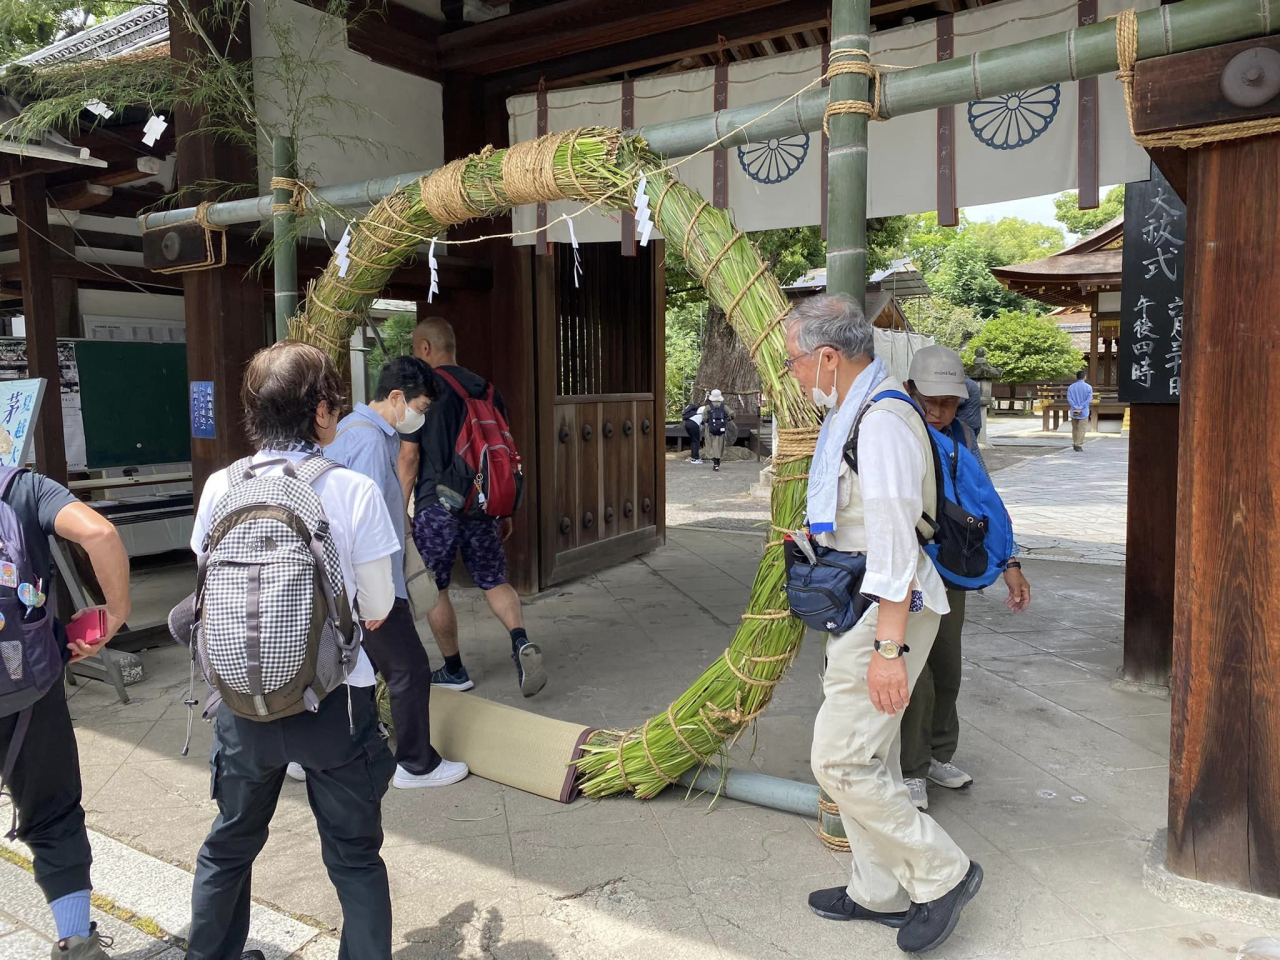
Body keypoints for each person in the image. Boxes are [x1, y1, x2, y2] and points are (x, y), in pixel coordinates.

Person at [187, 342, 398, 960]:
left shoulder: (221, 486)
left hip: (241, 703)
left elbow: (206, 588)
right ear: (324, 413)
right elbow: (379, 607)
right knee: (355, 859)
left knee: (229, 845)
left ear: (254, 414)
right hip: (336, 705)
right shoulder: (354, 491)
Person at [785, 295, 981, 955]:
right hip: (864, 602)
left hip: (886, 613)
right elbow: (866, 517)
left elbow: (896, 544)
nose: (794, 374)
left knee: (837, 760)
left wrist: (889, 650)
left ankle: (942, 873)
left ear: (829, 357)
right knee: (873, 755)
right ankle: (878, 892)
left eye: (796, 362)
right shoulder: (855, 409)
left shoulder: (882, 421)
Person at [318, 356, 469, 790]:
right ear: (397, 397)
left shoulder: (348, 430)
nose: (419, 417)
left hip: (344, 583)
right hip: (371, 583)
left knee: (353, 669)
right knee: (409, 669)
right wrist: (377, 596)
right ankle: (416, 763)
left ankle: (321, 749)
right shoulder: (368, 441)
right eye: (419, 407)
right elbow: (361, 527)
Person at [0, 471, 130, 960]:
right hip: (26, 689)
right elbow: (100, 533)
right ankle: (76, 941)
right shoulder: (21, 488)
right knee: (53, 813)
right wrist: (114, 612)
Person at [899, 345, 1032, 812]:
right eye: (929, 399)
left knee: (947, 669)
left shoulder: (963, 438)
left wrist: (1009, 565)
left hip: (954, 567)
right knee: (916, 677)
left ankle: (938, 754)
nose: (938, 411)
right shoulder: (896, 434)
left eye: (949, 401)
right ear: (910, 391)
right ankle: (910, 768)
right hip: (910, 571)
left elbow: (986, 501)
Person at [398, 317, 546, 698]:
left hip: (437, 508)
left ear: (426, 349)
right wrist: (504, 510)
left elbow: (410, 459)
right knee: (495, 580)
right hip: (483, 506)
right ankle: (519, 641)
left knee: (436, 589)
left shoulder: (420, 390)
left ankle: (453, 670)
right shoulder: (489, 390)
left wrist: (400, 509)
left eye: (416, 349)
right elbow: (500, 456)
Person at [698, 389, 735, 472]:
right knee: (719, 444)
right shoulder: (724, 406)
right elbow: (732, 415)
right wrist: (726, 420)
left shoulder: (708, 407)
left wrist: (708, 422)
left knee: (711, 444)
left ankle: (714, 462)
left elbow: (704, 418)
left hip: (710, 429)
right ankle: (717, 462)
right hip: (721, 429)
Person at [1067, 370, 1093, 452]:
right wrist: (1081, 406)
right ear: (1085, 377)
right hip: (1084, 410)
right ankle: (1078, 444)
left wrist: (1075, 406)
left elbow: (1069, 398)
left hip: (1074, 410)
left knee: (1075, 428)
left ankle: (1075, 442)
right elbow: (1089, 399)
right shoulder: (1088, 387)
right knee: (1082, 428)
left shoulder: (1071, 387)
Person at [681, 399, 704, 464]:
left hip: (687, 424)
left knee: (693, 441)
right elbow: (705, 423)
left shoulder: (694, 415)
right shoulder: (702, 415)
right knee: (696, 442)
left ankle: (693, 456)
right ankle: (695, 458)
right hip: (694, 425)